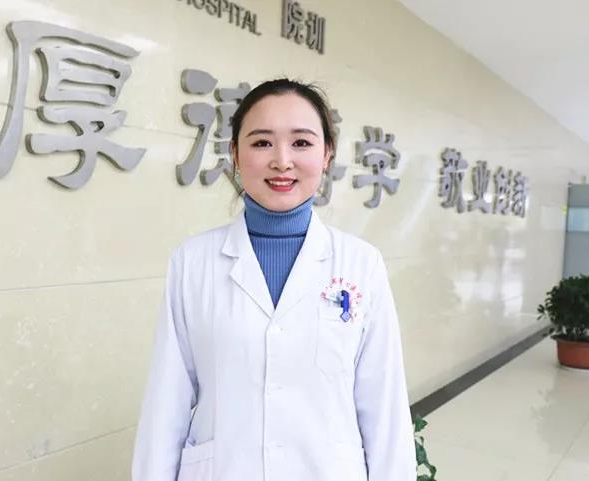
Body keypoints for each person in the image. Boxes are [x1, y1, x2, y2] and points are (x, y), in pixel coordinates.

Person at [132, 79, 416, 481]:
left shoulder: (361, 264)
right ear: (235, 153)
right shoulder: (193, 262)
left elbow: (384, 407)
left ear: (326, 154)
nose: (282, 161)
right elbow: (166, 403)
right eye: (262, 142)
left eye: (301, 143)